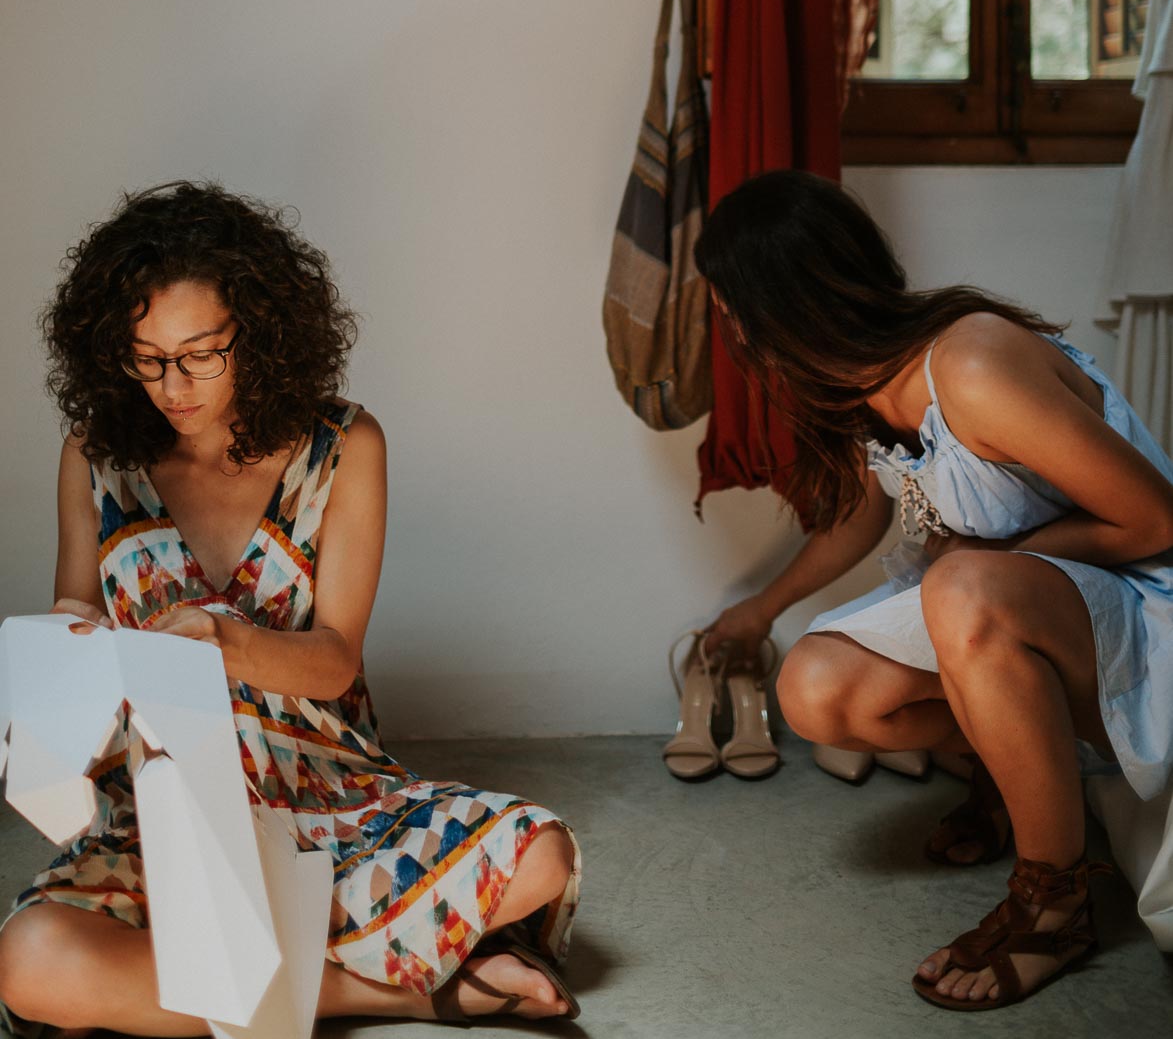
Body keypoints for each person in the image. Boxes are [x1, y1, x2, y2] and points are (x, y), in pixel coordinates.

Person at [0, 182, 580, 1034]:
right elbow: (73, 611)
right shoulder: (96, 451)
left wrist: (225, 643)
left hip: (325, 798)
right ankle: (413, 987)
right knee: (30, 960)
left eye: (201, 353)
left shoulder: (346, 445)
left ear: (258, 333)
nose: (173, 384)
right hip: (161, 818)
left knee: (539, 854)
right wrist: (55, 686)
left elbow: (336, 655)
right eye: (147, 356)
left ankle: (197, 979)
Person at [696, 169, 1173, 1012]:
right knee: (812, 687)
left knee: (958, 585)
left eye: (730, 309)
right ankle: (1007, 764)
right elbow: (855, 520)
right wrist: (758, 610)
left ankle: (1054, 901)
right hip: (1022, 604)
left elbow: (1155, 520)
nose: (729, 330)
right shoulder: (863, 388)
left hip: (1144, 603)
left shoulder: (971, 365)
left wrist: (992, 558)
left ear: (775, 305)